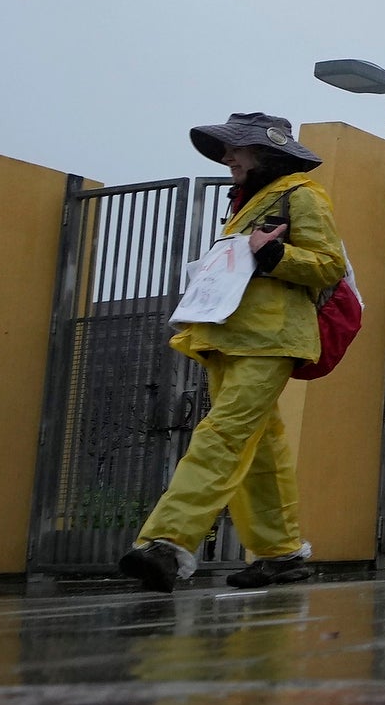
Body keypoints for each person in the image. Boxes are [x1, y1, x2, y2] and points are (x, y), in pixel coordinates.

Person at [117, 113, 348, 592]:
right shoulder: (250, 203)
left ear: (264, 152)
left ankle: (167, 543)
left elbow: (329, 265)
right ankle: (280, 553)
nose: (227, 158)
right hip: (232, 337)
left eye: (234, 149)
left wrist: (273, 255)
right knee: (259, 446)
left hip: (270, 340)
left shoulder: (301, 194)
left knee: (221, 435)